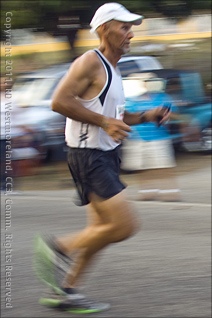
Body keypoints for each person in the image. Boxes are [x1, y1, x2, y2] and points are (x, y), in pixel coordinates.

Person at [36, 2, 170, 312]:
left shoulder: (113, 69)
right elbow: (59, 102)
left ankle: (65, 291)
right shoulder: (89, 62)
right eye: (124, 27)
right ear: (103, 29)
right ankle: (54, 248)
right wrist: (104, 123)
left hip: (106, 156)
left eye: (131, 28)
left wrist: (148, 115)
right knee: (123, 226)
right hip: (88, 155)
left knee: (99, 233)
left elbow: (115, 117)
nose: (130, 34)